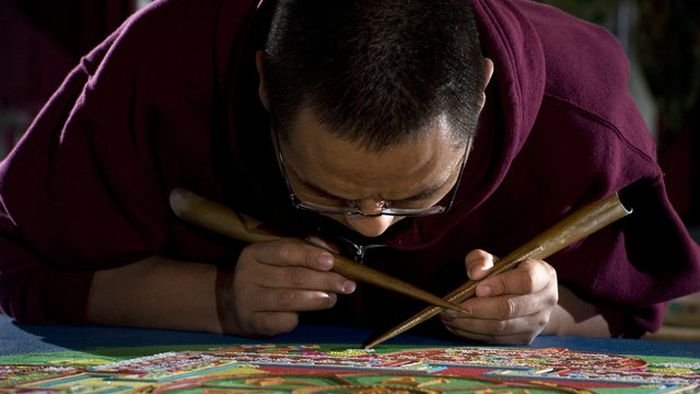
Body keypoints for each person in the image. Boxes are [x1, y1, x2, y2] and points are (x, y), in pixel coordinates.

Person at [1, 0, 698, 345]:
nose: (374, 225)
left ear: (483, 90)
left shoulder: (579, 107)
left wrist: (548, 310)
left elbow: (632, 311)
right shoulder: (159, 68)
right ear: (264, 87)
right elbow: (18, 266)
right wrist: (219, 299)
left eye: (422, 195)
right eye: (326, 191)